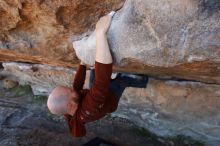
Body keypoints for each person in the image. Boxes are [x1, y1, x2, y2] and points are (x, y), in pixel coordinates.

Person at [47, 14, 148, 137]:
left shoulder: (69, 106)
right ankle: (143, 82)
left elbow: (76, 86)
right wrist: (100, 33)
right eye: (69, 91)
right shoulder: (88, 110)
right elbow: (101, 82)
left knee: (95, 69)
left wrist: (82, 64)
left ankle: (111, 74)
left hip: (92, 96)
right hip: (110, 98)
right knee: (122, 81)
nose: (71, 89)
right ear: (70, 105)